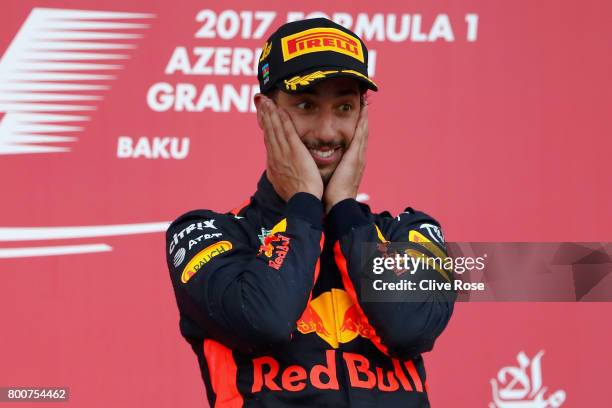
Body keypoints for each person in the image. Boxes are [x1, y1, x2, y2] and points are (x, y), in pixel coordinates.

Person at [166, 18, 455, 408]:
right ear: (264, 111)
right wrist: (303, 202)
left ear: (363, 117)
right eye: (306, 106)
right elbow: (264, 322)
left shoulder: (412, 231)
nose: (327, 131)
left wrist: (347, 214)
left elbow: (409, 328)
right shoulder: (207, 233)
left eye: (345, 107)